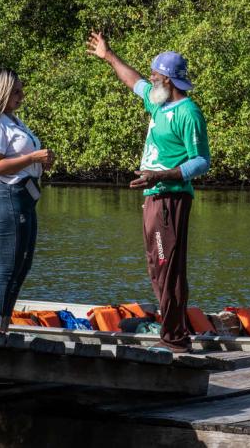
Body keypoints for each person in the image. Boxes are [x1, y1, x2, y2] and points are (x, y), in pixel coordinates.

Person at [86, 32, 211, 353]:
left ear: (167, 80)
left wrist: (161, 176)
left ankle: (174, 340)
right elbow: (135, 82)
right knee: (158, 266)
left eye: (155, 75)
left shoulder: (188, 113)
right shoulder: (159, 103)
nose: (150, 79)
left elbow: (201, 161)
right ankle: (173, 331)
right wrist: (108, 55)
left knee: (167, 268)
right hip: (154, 196)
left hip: (171, 197)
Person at [0, 68, 55, 332]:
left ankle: (4, 323)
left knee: (22, 265)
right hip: (7, 197)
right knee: (7, 269)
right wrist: (33, 159)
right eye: (17, 91)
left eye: (21, 90)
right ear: (2, 93)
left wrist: (42, 163)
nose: (22, 95)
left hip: (24, 198)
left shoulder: (14, 121)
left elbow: (21, 159)